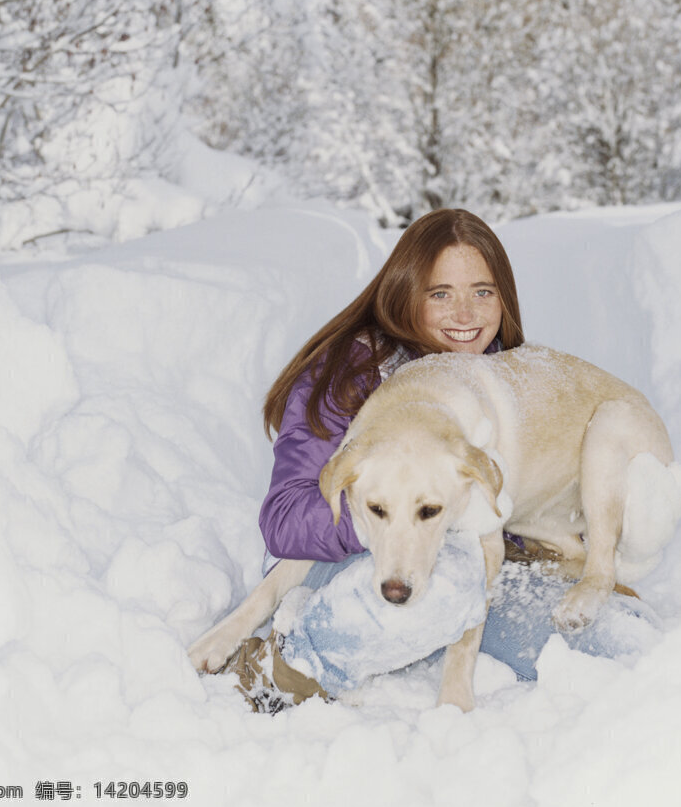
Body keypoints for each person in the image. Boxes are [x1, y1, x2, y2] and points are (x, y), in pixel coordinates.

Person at [226, 207, 658, 711]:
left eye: (482, 292)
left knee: (626, 640)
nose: (466, 316)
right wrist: (389, 516)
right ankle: (291, 661)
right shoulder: (350, 371)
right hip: (328, 560)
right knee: (450, 584)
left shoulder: (496, 375)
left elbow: (498, 510)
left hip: (462, 566)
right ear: (404, 292)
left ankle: (404, 645)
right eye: (440, 295)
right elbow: (284, 521)